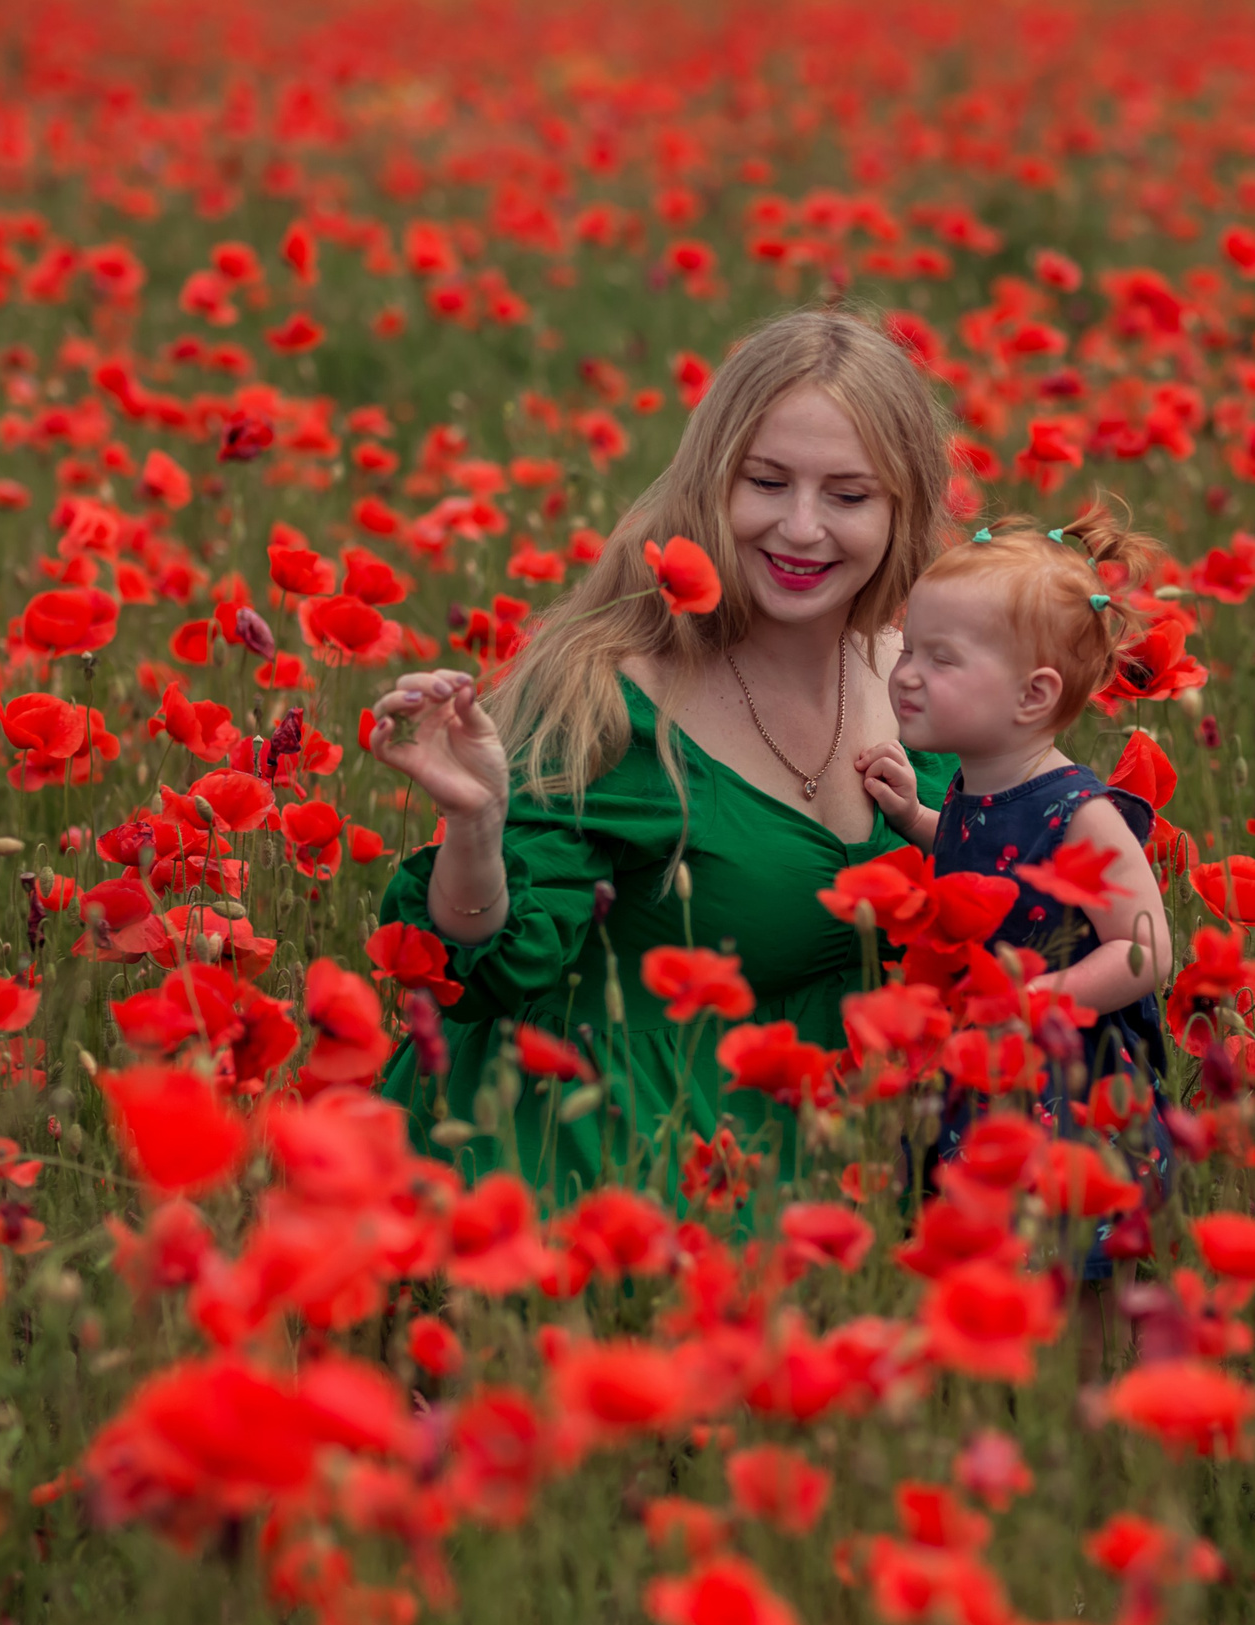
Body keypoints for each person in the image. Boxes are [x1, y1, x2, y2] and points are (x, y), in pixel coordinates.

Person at [367, 306, 961, 1193]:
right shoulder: (608, 696)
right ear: (710, 482)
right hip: (615, 1159)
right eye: (766, 482)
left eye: (848, 495)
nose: (801, 529)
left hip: (856, 1157)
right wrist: (477, 829)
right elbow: (484, 962)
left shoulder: (932, 684)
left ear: (902, 506)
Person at [851, 509, 1176, 1265]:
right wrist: (915, 817)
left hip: (1068, 1082)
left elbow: (1148, 949)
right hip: (985, 1060)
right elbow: (989, 871)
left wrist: (1042, 1001)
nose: (905, 673)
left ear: (1033, 695)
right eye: (908, 648)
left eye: (941, 658)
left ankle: (1097, 1377)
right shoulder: (978, 785)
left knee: (1075, 1265)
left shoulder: (1082, 813)